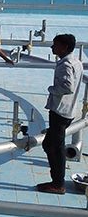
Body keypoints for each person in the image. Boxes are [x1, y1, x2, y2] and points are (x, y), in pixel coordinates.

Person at [38, 33, 83, 194]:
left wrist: (52, 90)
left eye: (55, 45)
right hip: (69, 110)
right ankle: (57, 177)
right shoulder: (76, 62)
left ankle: (58, 184)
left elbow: (68, 87)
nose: (52, 47)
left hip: (60, 112)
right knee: (49, 144)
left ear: (64, 47)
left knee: (56, 148)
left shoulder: (65, 64)